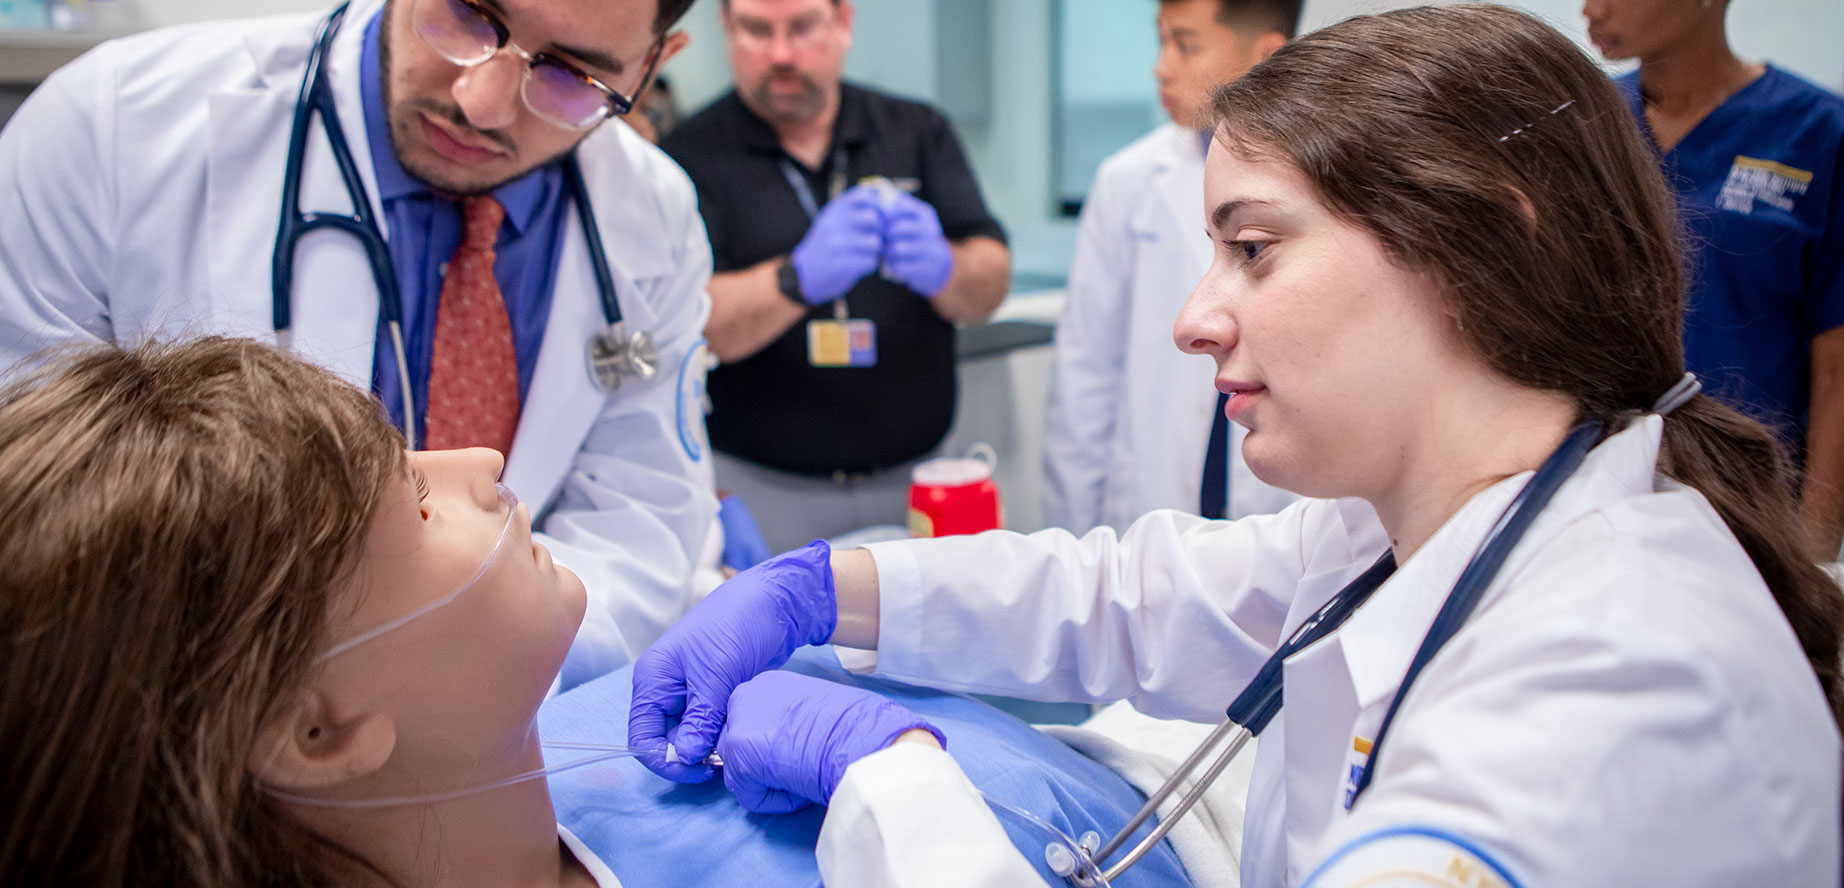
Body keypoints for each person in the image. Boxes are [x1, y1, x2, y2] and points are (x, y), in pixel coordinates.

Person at [631, 3, 1844, 886]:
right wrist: (818, 590)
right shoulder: (1408, 530)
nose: (1196, 316)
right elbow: (1130, 598)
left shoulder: (1607, 690)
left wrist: (893, 783)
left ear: (1483, 244)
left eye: (1253, 246)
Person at [0, 336, 1200, 888]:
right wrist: (904, 791)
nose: (475, 459)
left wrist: (818, 592)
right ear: (316, 731)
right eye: (412, 507)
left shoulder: (600, 716)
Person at [0, 0, 742, 688]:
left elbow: (639, 535)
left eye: (571, 76)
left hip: (503, 726)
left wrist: (442, 701)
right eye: (467, 8)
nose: (483, 102)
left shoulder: (652, 214)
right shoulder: (113, 133)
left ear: (652, 65)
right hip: (176, 724)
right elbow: (39, 524)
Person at [1581, 0, 1844, 559]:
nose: (1591, 5)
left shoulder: (1833, 140)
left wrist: (1813, 555)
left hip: (1747, 513)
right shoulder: (1588, 124)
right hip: (1588, 498)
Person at [660, 0, 1011, 552]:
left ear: (843, 21)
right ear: (726, 28)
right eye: (756, 31)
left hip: (917, 481)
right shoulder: (686, 159)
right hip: (761, 492)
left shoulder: (915, 131)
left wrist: (946, 269)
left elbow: (990, 282)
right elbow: (687, 326)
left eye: (802, 27)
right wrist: (795, 279)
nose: (782, 53)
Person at [1044, 0, 1304, 534]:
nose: (1161, 69)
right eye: (1162, 42)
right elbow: (1085, 376)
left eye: (1186, 46)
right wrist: (1075, 543)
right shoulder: (1127, 181)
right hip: (1148, 505)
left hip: (1278, 513)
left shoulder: (1330, 183)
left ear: (1265, 54)